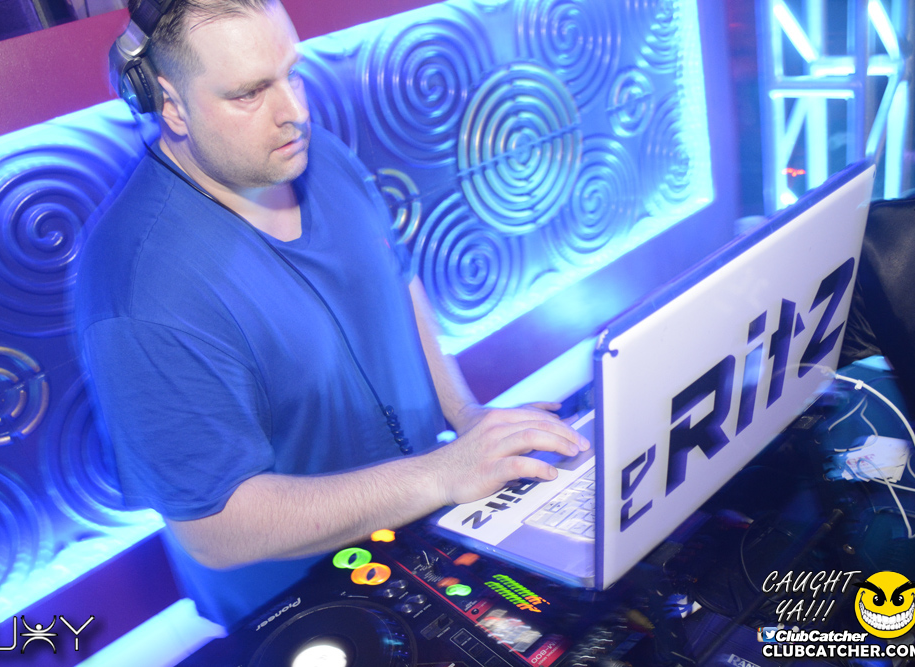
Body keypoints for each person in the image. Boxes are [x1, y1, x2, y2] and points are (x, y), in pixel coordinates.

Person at [75, 0, 589, 629]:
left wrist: (466, 416)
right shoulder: (141, 288)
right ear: (169, 104)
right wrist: (441, 474)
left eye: (291, 74)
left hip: (423, 543)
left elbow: (396, 281)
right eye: (249, 93)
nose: (294, 110)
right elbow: (216, 529)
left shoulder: (315, 155)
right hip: (304, 613)